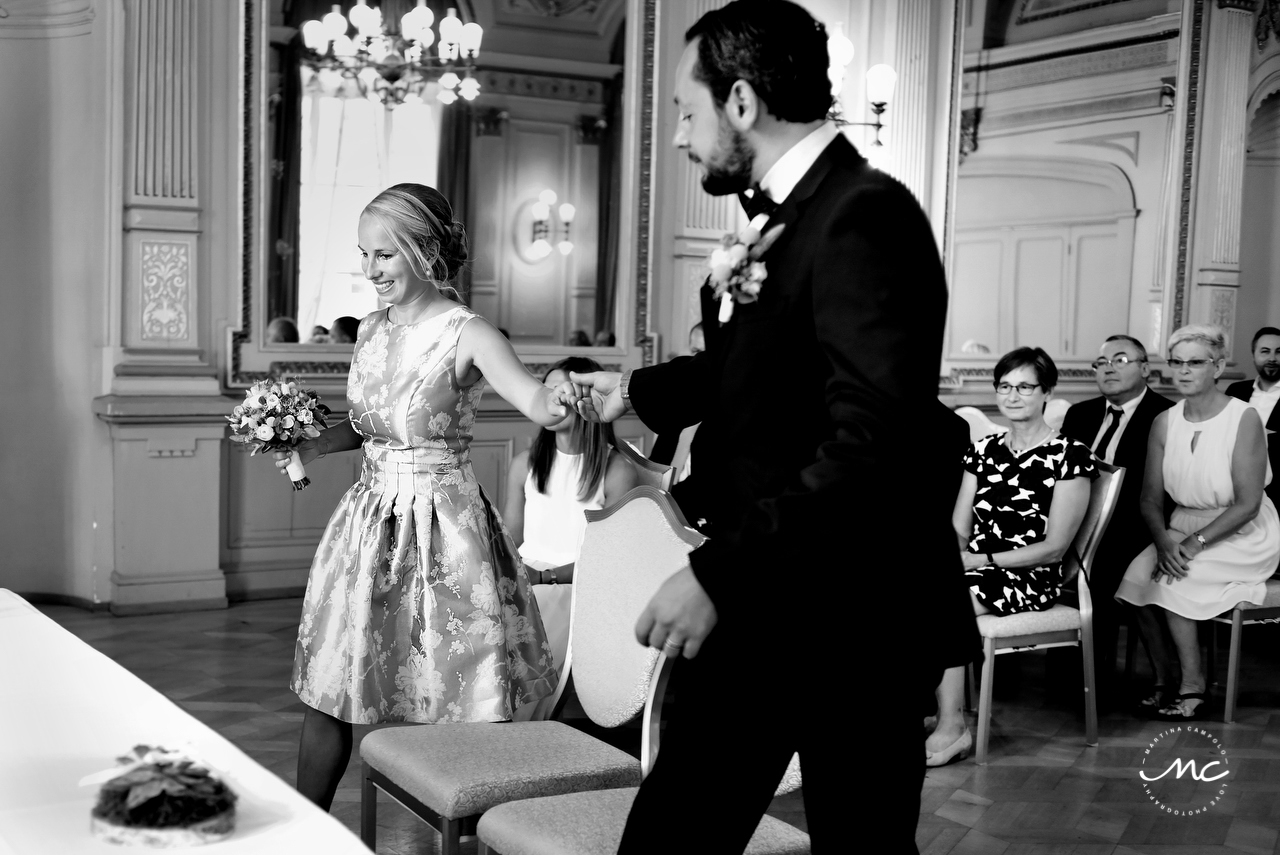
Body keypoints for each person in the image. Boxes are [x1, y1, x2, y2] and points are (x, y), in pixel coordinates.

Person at [568, 3, 978, 850]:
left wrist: (718, 573)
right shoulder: (785, 219)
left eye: (689, 111)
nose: (683, 137)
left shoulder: (866, 215)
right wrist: (633, 393)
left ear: (743, 102)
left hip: (854, 613)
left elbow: (872, 440)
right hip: (772, 595)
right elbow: (750, 375)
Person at [273, 183, 574, 811]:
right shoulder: (371, 332)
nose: (370, 271)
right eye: (363, 255)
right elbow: (365, 426)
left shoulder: (469, 333)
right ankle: (304, 834)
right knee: (331, 689)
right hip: (366, 527)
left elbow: (537, 402)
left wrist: (577, 396)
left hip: (447, 536)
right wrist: (305, 446)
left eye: (384, 255)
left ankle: (483, 831)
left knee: (464, 695)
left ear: (424, 249)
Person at [926, 348, 1097, 766]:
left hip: (1030, 576)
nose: (1013, 395)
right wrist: (949, 557)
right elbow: (960, 527)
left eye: (1024, 386)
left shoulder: (1069, 455)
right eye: (1005, 386)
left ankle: (953, 726)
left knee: (943, 603)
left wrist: (980, 561)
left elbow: (1054, 547)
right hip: (977, 570)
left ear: (1047, 392)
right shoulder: (982, 449)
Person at [1116, 324, 1280, 720]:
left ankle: (1193, 686)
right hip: (1180, 524)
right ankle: (1164, 679)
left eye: (1195, 362)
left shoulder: (1244, 419)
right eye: (1176, 362)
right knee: (1133, 580)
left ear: (1219, 366)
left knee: (1177, 578)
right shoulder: (1164, 422)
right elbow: (1150, 498)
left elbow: (1247, 504)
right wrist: (1163, 541)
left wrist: (1190, 546)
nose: (1184, 371)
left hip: (1241, 530)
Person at [502, 356, 639, 673]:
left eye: (559, 391)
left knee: (520, 623)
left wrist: (544, 578)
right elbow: (510, 540)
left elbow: (611, 559)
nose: (550, 400)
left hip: (576, 585)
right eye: (544, 391)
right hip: (527, 575)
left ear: (587, 399)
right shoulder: (525, 464)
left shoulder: (616, 471)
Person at [1059, 335, 1172, 705]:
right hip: (1078, 522)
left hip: (1137, 526)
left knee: (1099, 565)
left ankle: (1090, 681)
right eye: (1100, 362)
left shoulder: (1165, 415)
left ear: (1145, 368)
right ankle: (1028, 665)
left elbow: (1163, 491)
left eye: (1120, 359)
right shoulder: (1081, 413)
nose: (1108, 367)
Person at [1226, 326, 1280, 507]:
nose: (1272, 358)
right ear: (1253, 355)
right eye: (1265, 351)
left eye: (1279, 352)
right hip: (1232, 487)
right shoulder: (1235, 391)